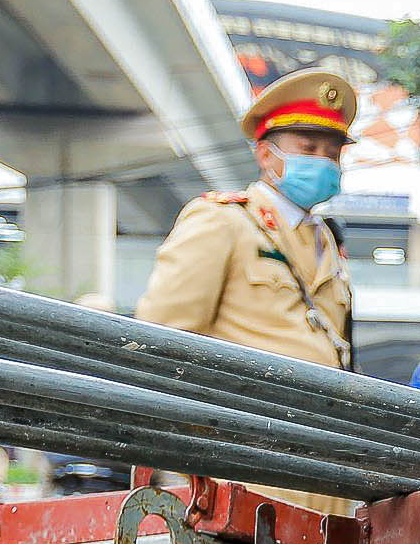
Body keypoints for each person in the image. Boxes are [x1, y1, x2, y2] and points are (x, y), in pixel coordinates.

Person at [135, 67, 358, 514]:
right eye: (309, 149)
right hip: (241, 467)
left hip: (320, 470)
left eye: (333, 154)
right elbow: (162, 341)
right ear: (265, 155)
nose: (324, 163)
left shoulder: (326, 242)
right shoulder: (222, 221)